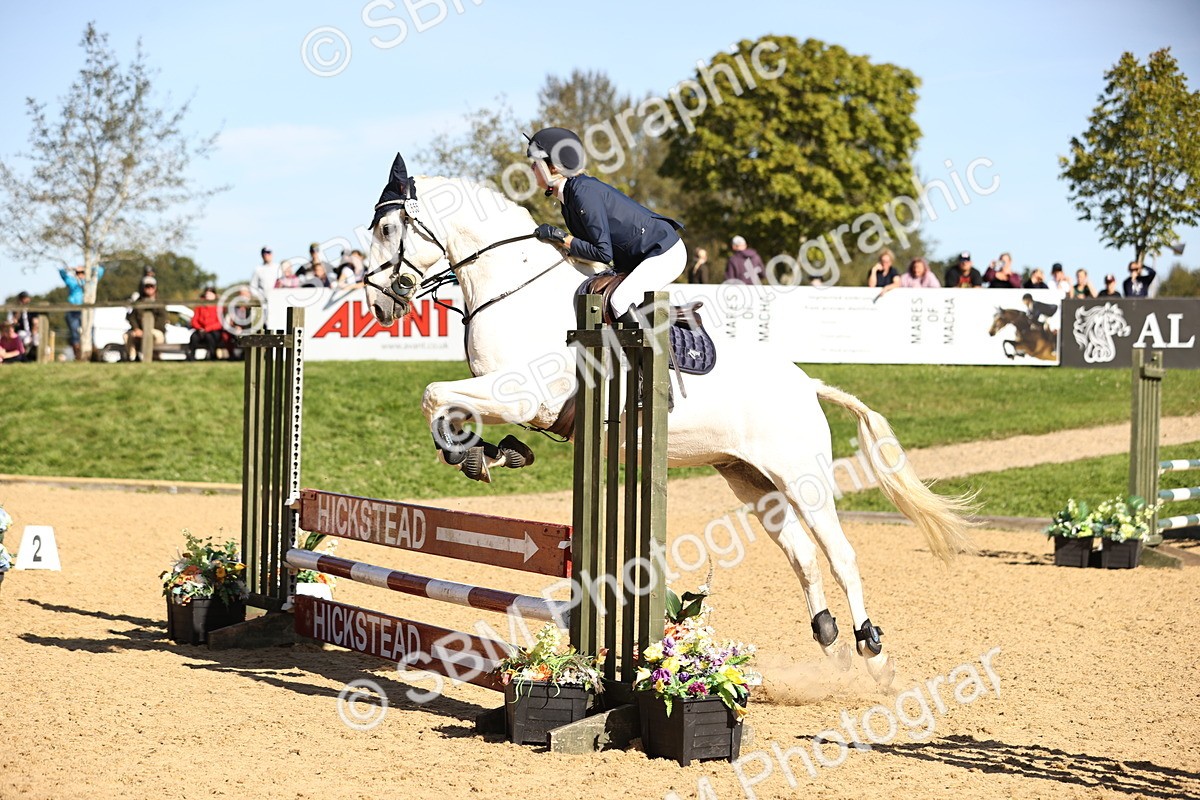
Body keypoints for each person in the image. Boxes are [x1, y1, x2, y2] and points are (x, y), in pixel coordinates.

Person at [526, 127, 685, 323]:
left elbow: (603, 253)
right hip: (639, 257)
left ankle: (659, 354)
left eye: (536, 163)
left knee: (620, 301)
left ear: (554, 168)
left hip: (663, 252)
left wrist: (561, 237)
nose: (532, 168)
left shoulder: (583, 193)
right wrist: (559, 242)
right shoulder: (569, 199)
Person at [58, 263, 104, 361]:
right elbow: (62, 272)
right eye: (78, 272)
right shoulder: (72, 282)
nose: (80, 274)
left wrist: (87, 267)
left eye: (82, 272)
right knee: (75, 333)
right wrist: (71, 268)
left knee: (89, 332)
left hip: (87, 311)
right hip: (74, 310)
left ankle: (92, 355)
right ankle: (78, 355)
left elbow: (100, 270)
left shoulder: (90, 282)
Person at [125, 276, 168, 361]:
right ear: (143, 288)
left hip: (155, 330)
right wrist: (136, 329)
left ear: (155, 288)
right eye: (147, 286)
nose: (149, 288)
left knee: (156, 336)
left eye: (151, 286)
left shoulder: (160, 303)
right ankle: (132, 358)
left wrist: (146, 331)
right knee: (127, 336)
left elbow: (162, 321)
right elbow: (132, 317)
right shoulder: (138, 302)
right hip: (139, 331)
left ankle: (154, 356)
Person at [189, 286, 225, 360]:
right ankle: (191, 357)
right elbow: (194, 320)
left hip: (213, 330)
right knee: (194, 337)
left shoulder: (219, 306)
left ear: (214, 295)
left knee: (210, 337)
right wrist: (199, 328)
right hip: (201, 330)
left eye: (210, 293)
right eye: (207, 293)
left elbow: (220, 323)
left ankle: (212, 356)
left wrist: (208, 329)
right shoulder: (200, 306)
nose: (208, 295)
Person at [9, 291, 38, 362]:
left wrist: (32, 335)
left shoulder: (32, 310)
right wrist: (19, 310)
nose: (24, 300)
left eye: (25, 298)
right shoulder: (15, 310)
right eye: (22, 298)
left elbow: (35, 323)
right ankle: (24, 357)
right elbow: (14, 322)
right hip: (21, 331)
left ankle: (34, 357)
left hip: (31, 332)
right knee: (25, 339)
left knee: (36, 340)